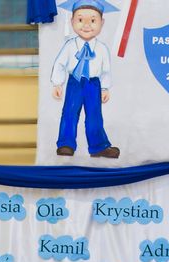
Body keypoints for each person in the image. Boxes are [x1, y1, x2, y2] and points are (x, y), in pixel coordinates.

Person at [51, 0, 119, 159]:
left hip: (93, 84)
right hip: (74, 83)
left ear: (102, 23)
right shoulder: (69, 46)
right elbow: (60, 64)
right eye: (80, 19)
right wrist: (57, 84)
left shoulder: (101, 49)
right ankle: (66, 144)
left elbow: (106, 70)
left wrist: (105, 88)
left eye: (93, 20)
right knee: (69, 112)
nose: (86, 25)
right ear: (72, 21)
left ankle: (98, 147)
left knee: (94, 115)